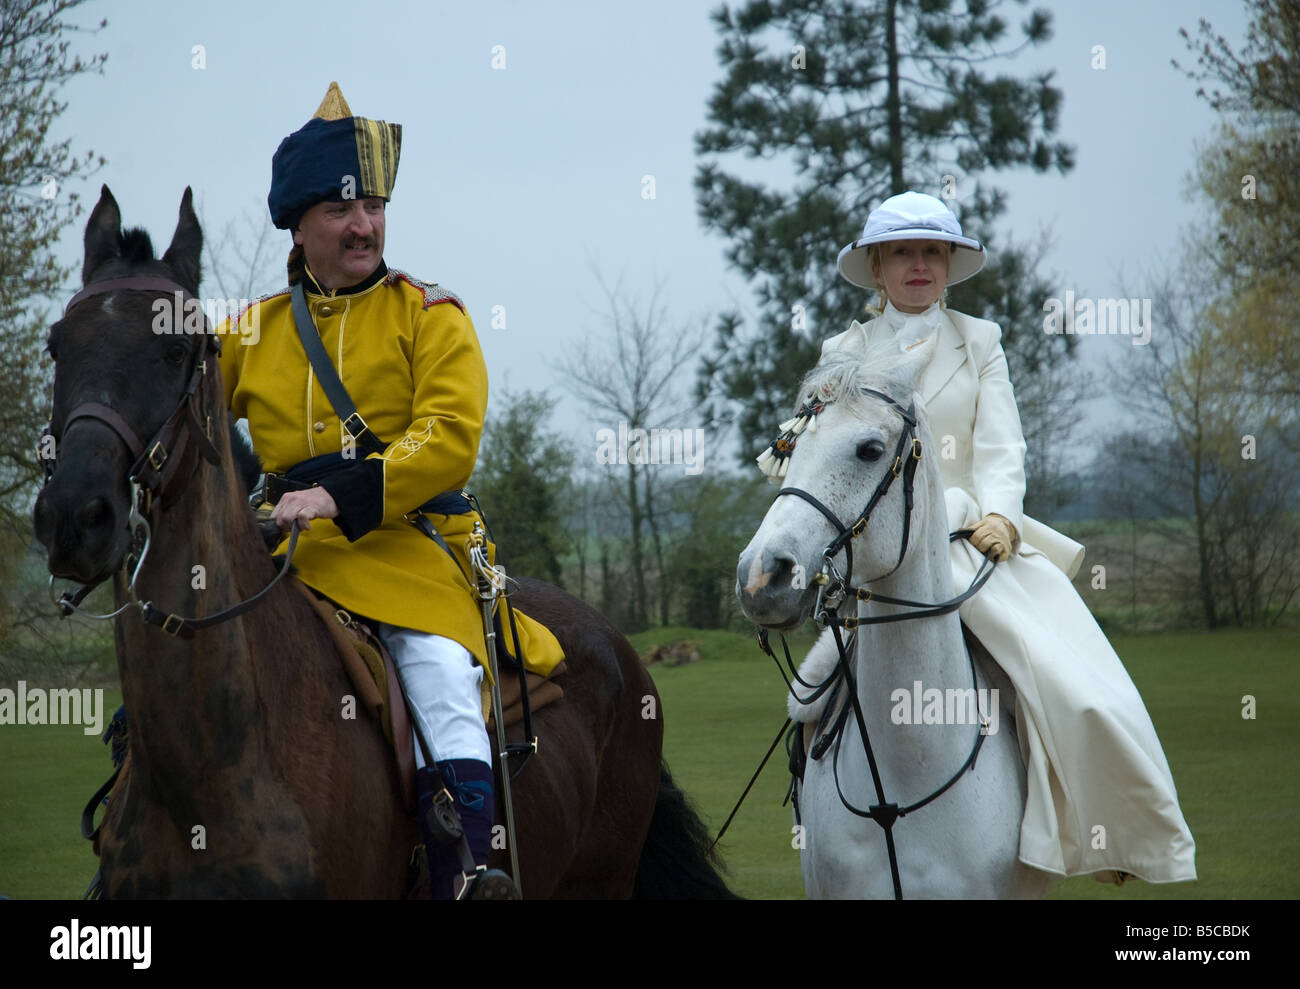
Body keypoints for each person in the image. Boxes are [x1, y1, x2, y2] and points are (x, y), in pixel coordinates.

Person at [216, 82, 564, 899]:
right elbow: (186, 421)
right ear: (298, 227)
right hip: (281, 555)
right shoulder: (248, 332)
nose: (364, 224)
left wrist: (341, 496)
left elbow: (445, 441)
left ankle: (467, 871)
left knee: (442, 673)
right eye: (341, 210)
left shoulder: (431, 314)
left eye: (372, 206)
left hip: (405, 549)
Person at [792, 190, 1196, 884]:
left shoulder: (981, 340)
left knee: (1081, 689)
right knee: (804, 693)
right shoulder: (843, 352)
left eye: (931, 253)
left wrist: (1003, 514)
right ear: (879, 267)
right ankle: (819, 826)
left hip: (972, 542)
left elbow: (1004, 445)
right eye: (903, 253)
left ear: (948, 264)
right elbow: (815, 454)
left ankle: (1105, 832)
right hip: (880, 555)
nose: (918, 265)